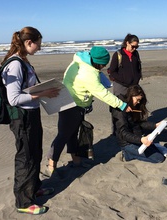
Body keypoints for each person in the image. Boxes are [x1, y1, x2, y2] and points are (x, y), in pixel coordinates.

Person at [46, 46, 132, 175]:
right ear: (98, 62)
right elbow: (102, 94)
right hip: (71, 105)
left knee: (73, 133)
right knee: (63, 135)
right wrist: (122, 105)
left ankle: (76, 160)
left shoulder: (81, 61)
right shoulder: (88, 73)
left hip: (73, 103)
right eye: (102, 65)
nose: (102, 67)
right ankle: (51, 165)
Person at [1, 26, 60, 215]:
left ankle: (33, 188)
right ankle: (24, 202)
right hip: (22, 118)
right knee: (25, 158)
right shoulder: (15, 64)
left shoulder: (23, 61)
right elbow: (14, 98)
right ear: (28, 43)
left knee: (35, 153)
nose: (40, 48)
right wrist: (43, 93)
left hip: (31, 115)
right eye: (38, 44)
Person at [111, 85, 166, 163]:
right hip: (127, 143)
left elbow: (138, 123)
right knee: (159, 158)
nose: (138, 102)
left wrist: (155, 125)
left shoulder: (131, 106)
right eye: (137, 99)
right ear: (131, 96)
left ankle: (133, 152)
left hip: (137, 138)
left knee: (158, 151)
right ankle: (127, 154)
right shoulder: (120, 111)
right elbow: (123, 133)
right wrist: (141, 139)